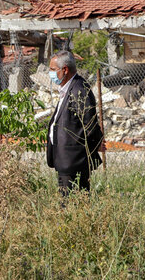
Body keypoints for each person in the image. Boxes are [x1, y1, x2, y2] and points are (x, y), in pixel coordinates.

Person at [46, 51, 103, 196]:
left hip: (74, 161)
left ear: (65, 70)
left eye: (53, 70)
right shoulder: (67, 89)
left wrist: (91, 149)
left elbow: (90, 125)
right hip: (64, 160)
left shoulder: (79, 90)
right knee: (71, 203)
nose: (50, 73)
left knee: (71, 204)